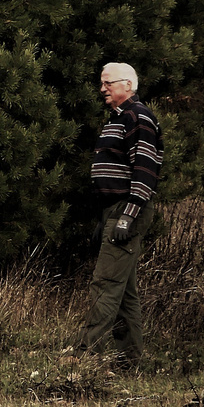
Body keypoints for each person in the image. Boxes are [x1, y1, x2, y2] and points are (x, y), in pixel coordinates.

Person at [71, 62, 163, 364]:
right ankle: (131, 358)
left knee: (106, 283)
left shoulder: (139, 117)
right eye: (102, 83)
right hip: (115, 208)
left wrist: (128, 215)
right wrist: (107, 216)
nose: (102, 89)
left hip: (128, 207)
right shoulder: (118, 119)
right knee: (123, 292)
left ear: (127, 85)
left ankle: (84, 357)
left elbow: (145, 171)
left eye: (107, 83)